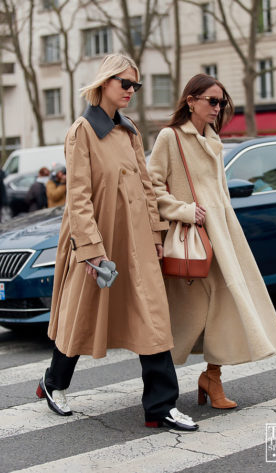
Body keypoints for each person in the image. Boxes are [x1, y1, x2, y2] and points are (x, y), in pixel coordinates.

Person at [36, 53, 198, 432]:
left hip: (137, 239)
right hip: (97, 240)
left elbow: (145, 186)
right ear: (104, 83)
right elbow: (77, 198)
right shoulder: (82, 130)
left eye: (135, 86)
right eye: (125, 83)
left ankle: (160, 406)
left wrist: (157, 235)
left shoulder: (129, 130)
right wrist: (91, 252)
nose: (131, 91)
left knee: (154, 318)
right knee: (81, 315)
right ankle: (54, 381)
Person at [148, 74, 276, 409]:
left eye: (221, 102)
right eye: (212, 101)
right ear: (191, 100)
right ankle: (158, 380)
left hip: (223, 236)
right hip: (191, 238)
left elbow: (219, 193)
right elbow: (151, 185)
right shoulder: (170, 137)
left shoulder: (212, 139)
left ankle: (213, 376)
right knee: (184, 310)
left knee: (227, 305)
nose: (218, 108)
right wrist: (182, 210)